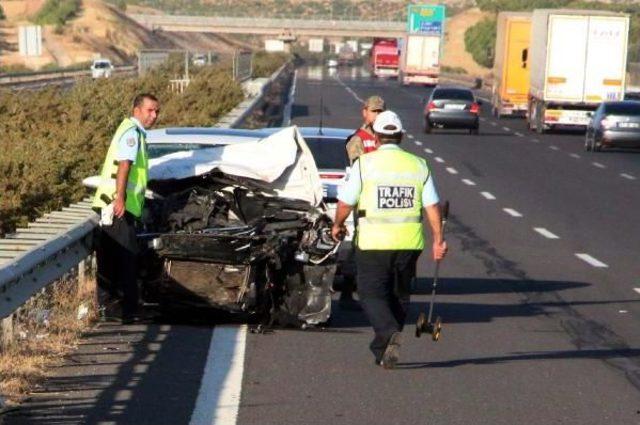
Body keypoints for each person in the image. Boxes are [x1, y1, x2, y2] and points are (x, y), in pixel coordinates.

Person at [332, 110, 448, 369]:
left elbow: (345, 202)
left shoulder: (364, 164)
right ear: (401, 136)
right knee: (399, 294)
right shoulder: (419, 165)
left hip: (374, 242)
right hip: (409, 243)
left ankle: (388, 333)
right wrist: (438, 240)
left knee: (371, 294)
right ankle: (384, 350)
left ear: (376, 135)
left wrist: (337, 225)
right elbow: (432, 207)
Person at [92, 93, 160, 324]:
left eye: (156, 111)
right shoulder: (132, 133)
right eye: (150, 110)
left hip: (118, 206)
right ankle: (130, 311)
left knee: (111, 258)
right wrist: (119, 198)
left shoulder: (133, 131)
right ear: (137, 110)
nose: (154, 115)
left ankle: (109, 308)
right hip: (119, 207)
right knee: (128, 258)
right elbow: (124, 166)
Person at [338, 95, 386, 311]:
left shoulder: (386, 138)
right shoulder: (358, 139)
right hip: (366, 203)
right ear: (365, 112)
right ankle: (348, 293)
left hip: (384, 202)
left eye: (380, 112)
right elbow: (360, 170)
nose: (377, 115)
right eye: (374, 111)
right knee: (361, 247)